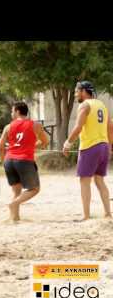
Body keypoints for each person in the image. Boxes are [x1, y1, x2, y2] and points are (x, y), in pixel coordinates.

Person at [63, 81, 113, 221]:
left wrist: (68, 143)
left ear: (84, 91)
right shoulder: (102, 105)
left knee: (85, 181)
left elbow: (78, 127)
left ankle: (86, 216)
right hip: (103, 146)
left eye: (76, 91)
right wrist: (109, 147)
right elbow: (110, 127)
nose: (75, 93)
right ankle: (108, 213)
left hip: (90, 147)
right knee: (99, 181)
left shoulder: (84, 105)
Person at [0, 101, 49, 222]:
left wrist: (3, 162)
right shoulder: (35, 125)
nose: (11, 113)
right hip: (24, 160)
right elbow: (45, 142)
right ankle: (14, 203)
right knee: (35, 189)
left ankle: (14, 218)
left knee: (17, 191)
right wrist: (34, 146)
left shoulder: (8, 127)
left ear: (17, 111)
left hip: (9, 160)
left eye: (12, 111)